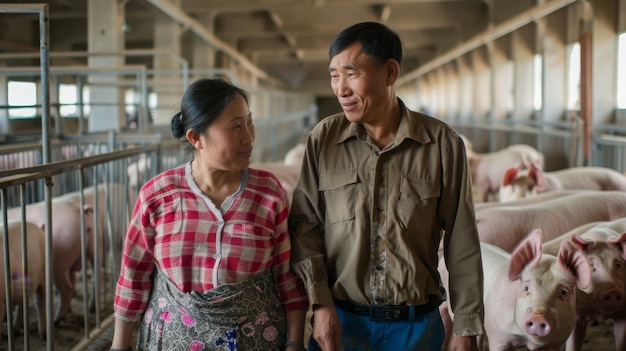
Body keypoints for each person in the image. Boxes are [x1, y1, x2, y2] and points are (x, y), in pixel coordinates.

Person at [288, 22, 485, 351]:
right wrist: (320, 306)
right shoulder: (323, 140)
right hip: (342, 321)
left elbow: (461, 237)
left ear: (390, 72)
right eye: (334, 75)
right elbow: (304, 225)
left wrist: (465, 324)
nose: (340, 88)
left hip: (415, 328)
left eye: (351, 74)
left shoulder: (442, 144)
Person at [110, 78, 308, 351]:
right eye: (236, 126)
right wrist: (119, 346)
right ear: (195, 138)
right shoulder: (157, 196)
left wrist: (295, 342)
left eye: (249, 122)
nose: (248, 137)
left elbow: (286, 276)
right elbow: (133, 277)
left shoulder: (268, 193)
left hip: (257, 340)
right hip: (171, 341)